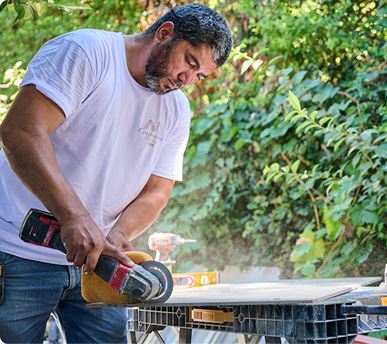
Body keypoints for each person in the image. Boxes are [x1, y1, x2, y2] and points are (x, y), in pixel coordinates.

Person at [0, 3, 232, 344]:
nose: (187, 81)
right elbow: (20, 133)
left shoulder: (177, 109)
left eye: (199, 76)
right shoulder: (86, 52)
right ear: (165, 33)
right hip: (19, 253)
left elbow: (156, 191)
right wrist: (73, 218)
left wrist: (120, 233)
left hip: (99, 267)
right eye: (189, 62)